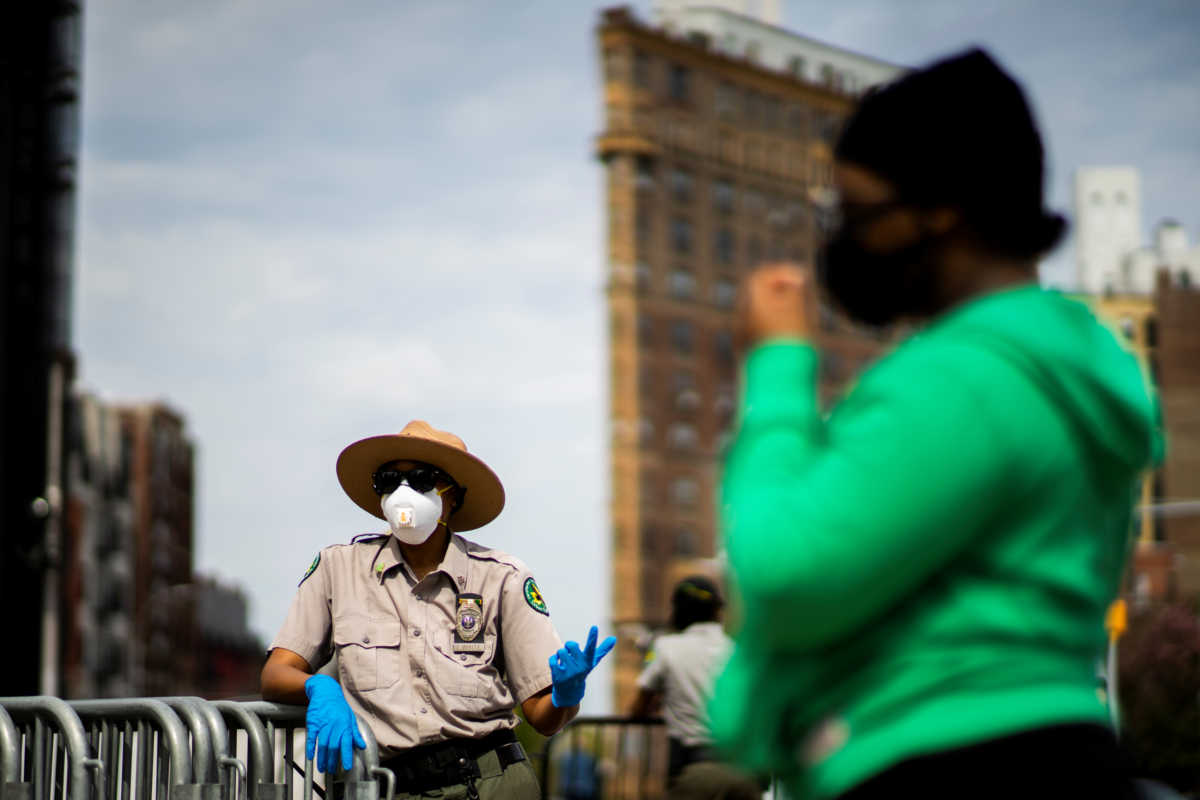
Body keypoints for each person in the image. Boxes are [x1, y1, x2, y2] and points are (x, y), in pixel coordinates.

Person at [710, 48, 1162, 799]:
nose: (843, 241)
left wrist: (778, 368)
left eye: (858, 214)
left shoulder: (969, 377)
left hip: (943, 766)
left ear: (943, 209)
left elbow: (784, 575)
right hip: (1048, 748)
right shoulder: (1067, 368)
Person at [261, 420, 615, 799]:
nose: (403, 493)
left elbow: (543, 718)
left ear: (452, 496)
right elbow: (275, 674)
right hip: (390, 786)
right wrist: (320, 687)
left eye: (420, 479)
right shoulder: (337, 569)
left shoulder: (501, 578)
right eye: (389, 481)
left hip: (492, 782)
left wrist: (567, 694)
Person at [630, 576, 760, 799]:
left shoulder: (666, 648)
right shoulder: (736, 649)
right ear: (716, 611)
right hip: (745, 771)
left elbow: (638, 708)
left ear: (677, 611)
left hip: (696, 771)